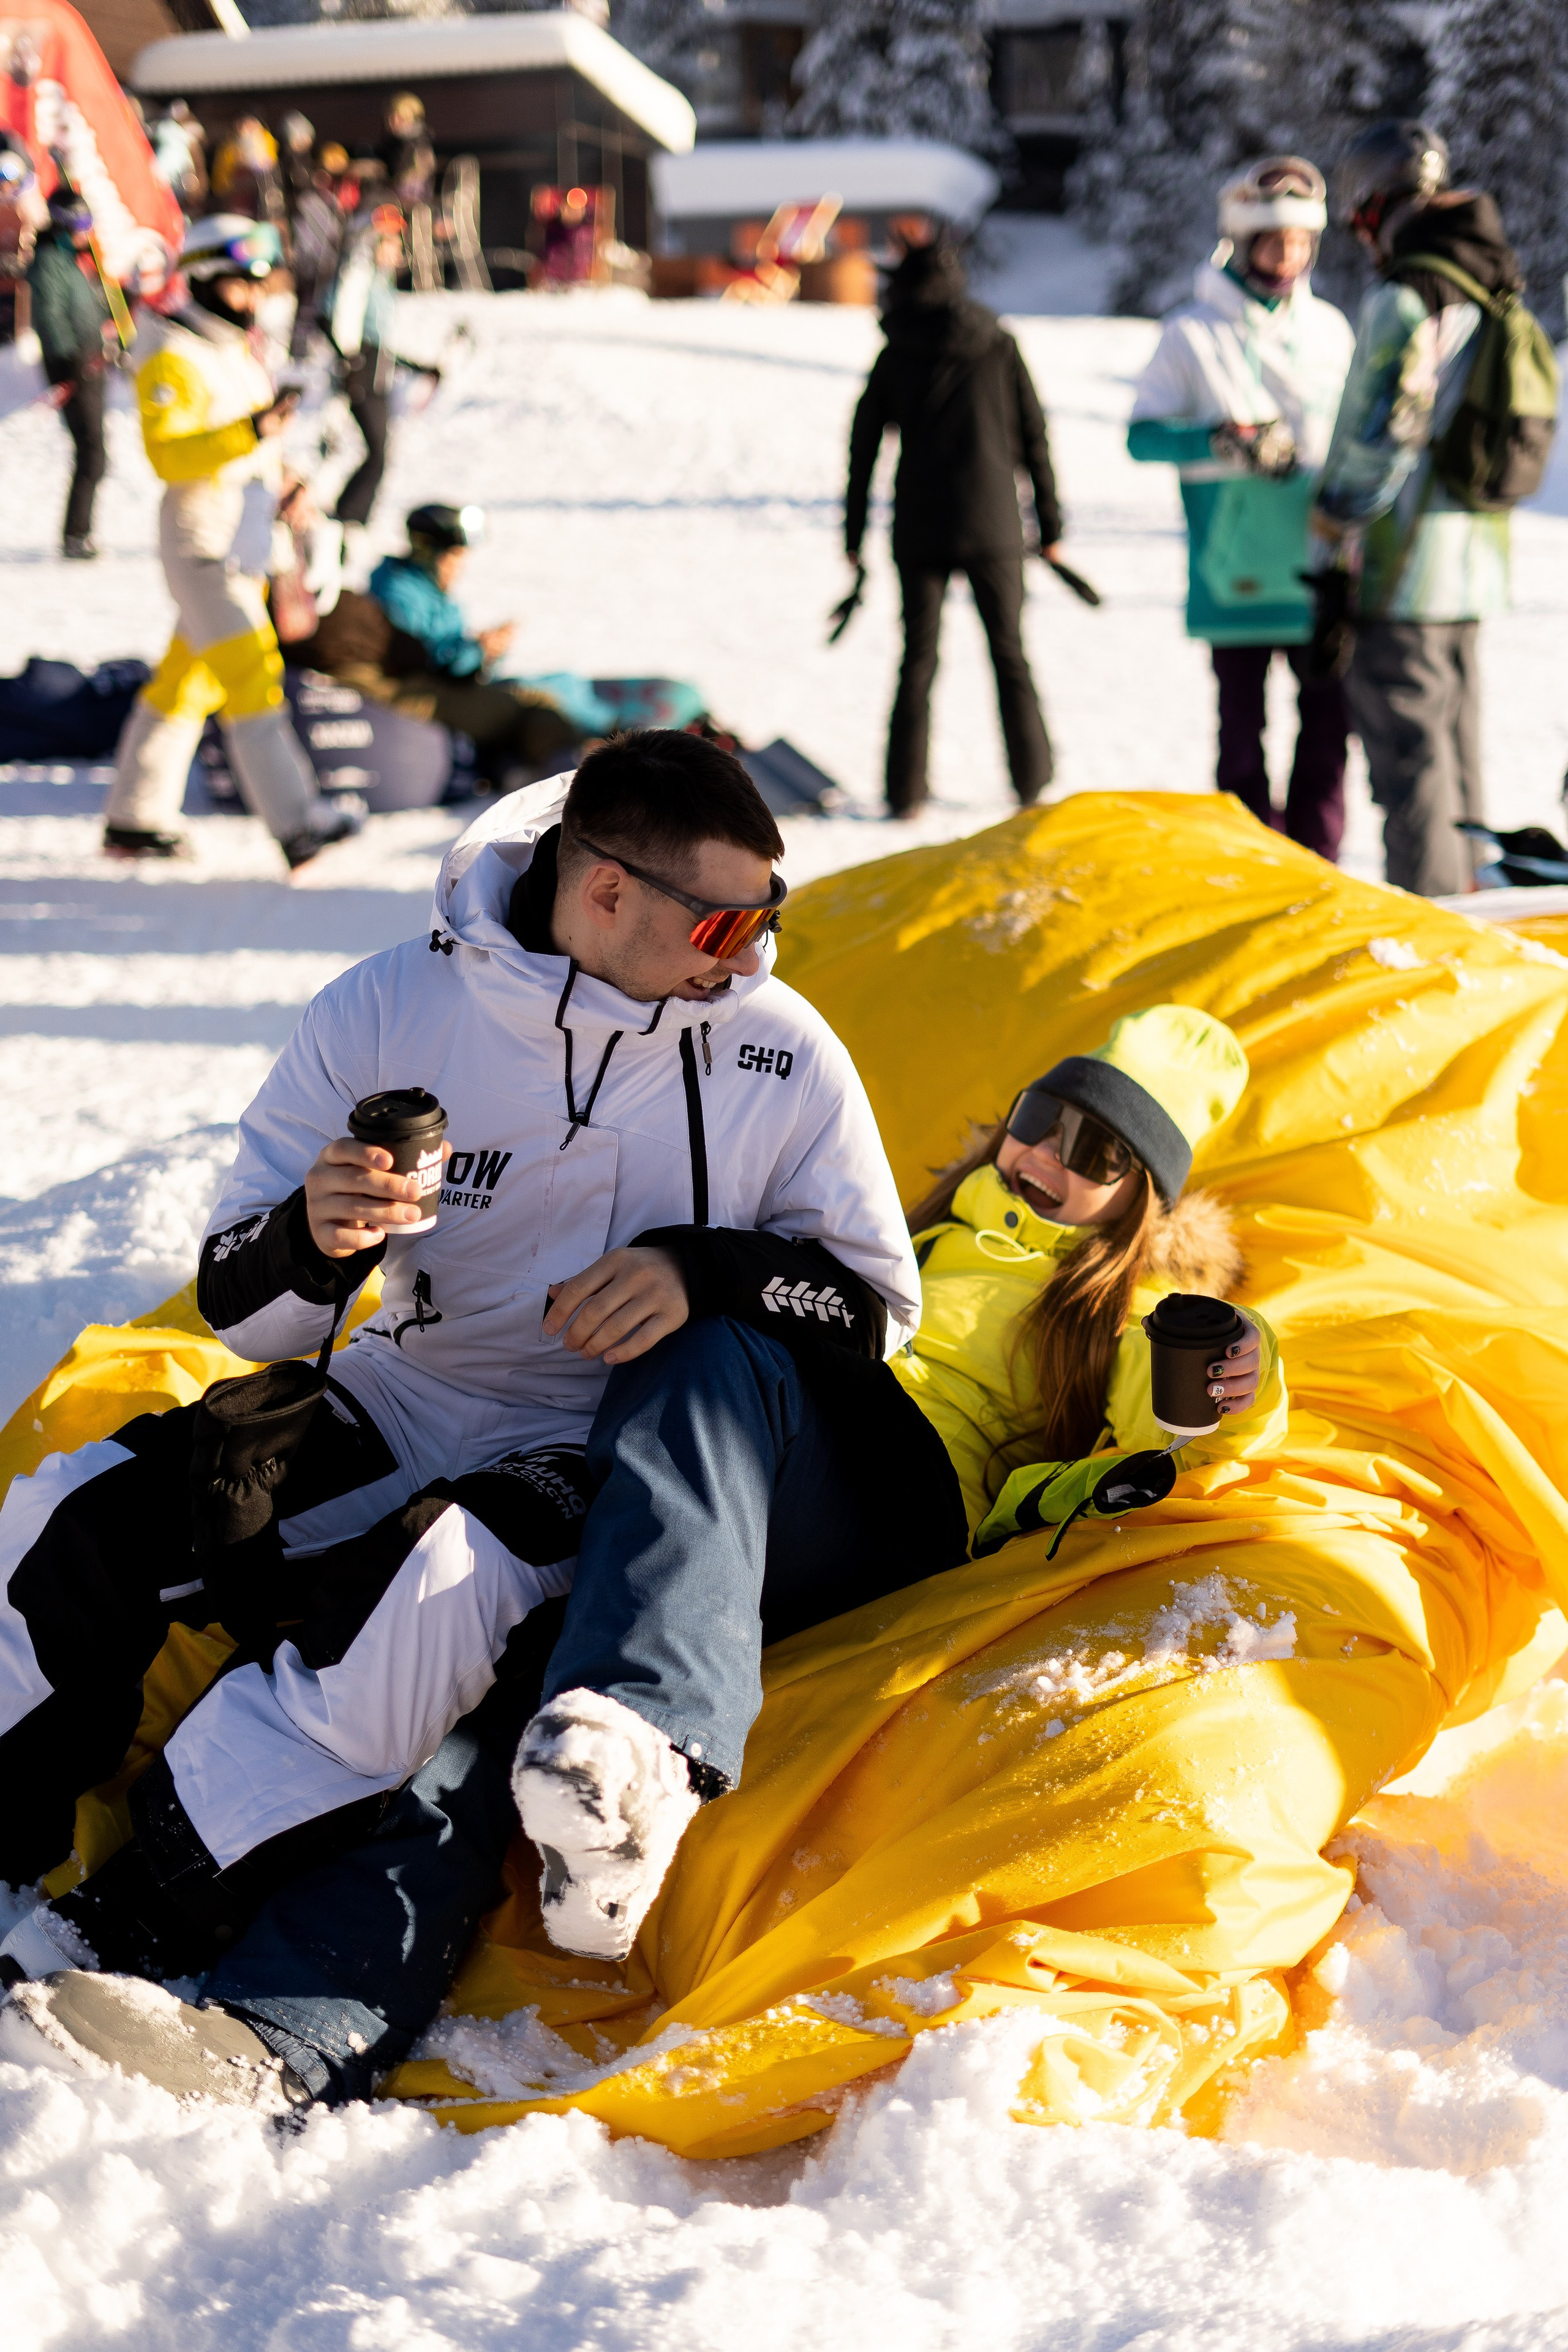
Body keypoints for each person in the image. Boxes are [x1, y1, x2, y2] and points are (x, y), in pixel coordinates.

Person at [0, 732, 967, 2105]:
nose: (746, 955)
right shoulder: (390, 1008)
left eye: (769, 918)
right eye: (722, 920)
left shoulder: (778, 1052)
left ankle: (135, 1920)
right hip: (411, 1385)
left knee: (432, 1583)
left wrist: (707, 1269)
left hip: (601, 1441)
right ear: (603, 893)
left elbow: (872, 1312)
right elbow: (237, 1298)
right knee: (76, 1511)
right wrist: (313, 1243)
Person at [894, 1003, 1284, 1548]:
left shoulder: (1120, 1305)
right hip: (805, 1407)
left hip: (904, 1487)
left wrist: (1235, 1366)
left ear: (1140, 1199)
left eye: (1094, 1150)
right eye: (1038, 1118)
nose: (1049, 1151)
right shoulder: (930, 1223)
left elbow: (1176, 1431)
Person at [104, 215, 363, 869]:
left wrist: (287, 479)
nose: (252, 297)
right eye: (239, 283)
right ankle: (298, 823)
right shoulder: (169, 352)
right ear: (200, 279)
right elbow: (168, 455)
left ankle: (135, 819)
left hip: (244, 535)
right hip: (201, 540)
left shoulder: (227, 350)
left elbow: (252, 443)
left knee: (186, 683)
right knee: (252, 670)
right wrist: (253, 432)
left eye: (257, 283)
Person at [1311, 123, 1520, 897]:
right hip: (1472, 566)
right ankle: (1478, 909)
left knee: (1410, 764)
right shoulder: (1486, 281)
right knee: (1455, 755)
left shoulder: (1406, 297)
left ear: (1371, 207)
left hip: (1403, 571)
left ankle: (1436, 933)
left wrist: (1332, 522)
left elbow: (1382, 435)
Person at [1129, 159, 1356, 862]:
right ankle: (1253, 864)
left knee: (1327, 728)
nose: (1286, 255)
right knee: (1240, 737)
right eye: (1272, 242)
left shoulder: (1330, 331)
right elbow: (1141, 435)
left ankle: (1320, 867)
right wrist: (1219, 441)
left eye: (1298, 242)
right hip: (1232, 571)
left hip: (1319, 565)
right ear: (1241, 242)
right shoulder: (1190, 334)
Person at [845, 235, 1061, 818]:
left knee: (917, 661)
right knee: (1010, 653)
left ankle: (904, 793)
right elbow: (1034, 436)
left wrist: (853, 534)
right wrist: (1051, 522)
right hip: (993, 523)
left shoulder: (894, 353)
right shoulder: (998, 343)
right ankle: (1033, 783)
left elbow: (863, 449)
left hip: (920, 527)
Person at [293, 503, 580, 785]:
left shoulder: (425, 590)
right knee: (536, 700)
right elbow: (424, 662)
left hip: (437, 689)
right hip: (420, 692)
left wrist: (484, 652)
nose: (460, 567)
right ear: (429, 553)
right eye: (454, 557)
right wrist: (479, 651)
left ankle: (523, 768)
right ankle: (573, 778)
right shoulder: (400, 594)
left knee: (549, 687)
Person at [26, 187, 111, 560]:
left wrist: (108, 327)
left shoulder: (75, 258)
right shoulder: (49, 261)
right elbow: (51, 318)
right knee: (93, 453)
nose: (85, 232)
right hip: (73, 367)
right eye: (80, 224)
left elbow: (89, 307)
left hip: (91, 362)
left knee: (95, 451)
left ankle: (80, 532)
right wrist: (71, 364)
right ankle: (76, 535)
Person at [323, 192, 404, 551]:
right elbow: (340, 314)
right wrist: (349, 359)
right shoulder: (359, 271)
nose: (398, 250)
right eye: (391, 241)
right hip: (362, 367)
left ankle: (353, 520)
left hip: (378, 368)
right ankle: (347, 518)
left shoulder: (383, 281)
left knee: (381, 451)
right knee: (375, 451)